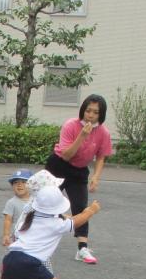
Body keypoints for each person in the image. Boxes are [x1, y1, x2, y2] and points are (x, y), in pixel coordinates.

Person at [44, 94, 113, 265]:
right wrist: (81, 136)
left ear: (101, 115)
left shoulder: (103, 132)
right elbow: (66, 155)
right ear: (83, 110)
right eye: (88, 110)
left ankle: (82, 248)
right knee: (44, 201)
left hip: (79, 171)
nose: (90, 115)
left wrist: (96, 177)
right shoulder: (71, 125)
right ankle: (24, 233)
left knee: (81, 207)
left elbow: (101, 157)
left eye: (96, 112)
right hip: (58, 166)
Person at [0, 168, 36, 279]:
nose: (19, 185)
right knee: (17, 266)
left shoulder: (36, 200)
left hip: (34, 238)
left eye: (24, 182)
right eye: (16, 183)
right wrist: (6, 235)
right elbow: (8, 220)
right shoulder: (12, 202)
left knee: (31, 263)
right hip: (18, 239)